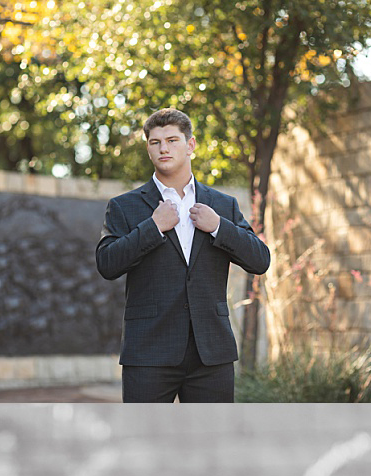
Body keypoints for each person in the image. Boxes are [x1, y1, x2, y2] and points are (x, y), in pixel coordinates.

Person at [96, 109, 270, 403]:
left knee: (213, 432)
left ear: (190, 145)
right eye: (155, 142)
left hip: (211, 354)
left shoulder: (222, 205)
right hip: (149, 352)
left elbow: (260, 260)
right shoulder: (124, 206)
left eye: (172, 140)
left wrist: (219, 227)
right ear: (148, 149)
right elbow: (107, 263)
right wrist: (152, 227)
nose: (163, 148)